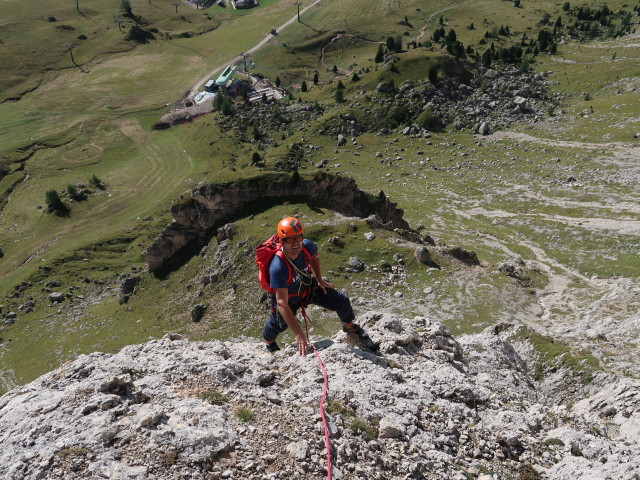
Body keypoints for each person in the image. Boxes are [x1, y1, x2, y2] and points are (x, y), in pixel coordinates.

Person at [262, 217, 368, 355]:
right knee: (278, 325)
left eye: (298, 237)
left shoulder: (307, 246)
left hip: (307, 288)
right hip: (289, 299)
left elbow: (315, 257)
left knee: (342, 301)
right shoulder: (278, 267)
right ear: (281, 241)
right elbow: (282, 303)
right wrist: (299, 334)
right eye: (289, 239)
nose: (295, 243)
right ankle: (269, 342)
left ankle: (350, 328)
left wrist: (320, 279)